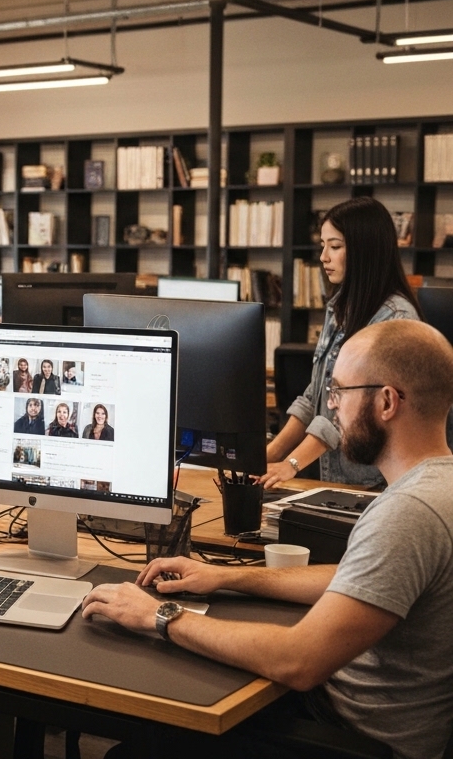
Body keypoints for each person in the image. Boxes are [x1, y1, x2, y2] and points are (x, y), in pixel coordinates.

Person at [82, 320, 453, 759]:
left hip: (348, 738)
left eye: (339, 392)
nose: (331, 409)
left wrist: (160, 615)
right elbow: (355, 578)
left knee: (137, 749)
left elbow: (297, 661)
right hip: (348, 717)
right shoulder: (435, 487)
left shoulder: (407, 513)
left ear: (387, 401)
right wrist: (222, 577)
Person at [262, 197, 421, 489]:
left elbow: (355, 409)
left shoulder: (396, 318)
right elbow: (315, 396)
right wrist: (271, 453)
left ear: (365, 251)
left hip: (370, 482)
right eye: (323, 245)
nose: (323, 257)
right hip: (330, 476)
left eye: (334, 246)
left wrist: (292, 463)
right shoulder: (340, 307)